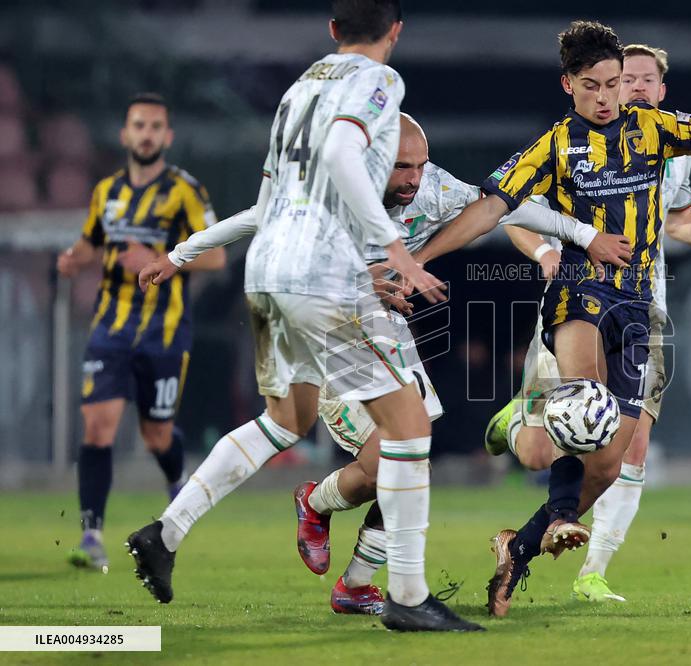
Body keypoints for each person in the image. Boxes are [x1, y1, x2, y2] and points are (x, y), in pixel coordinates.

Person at [411, 20, 691, 618]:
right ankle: (558, 514)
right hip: (579, 290)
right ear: (569, 85)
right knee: (588, 403)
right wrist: (419, 257)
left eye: (614, 84)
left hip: (637, 306)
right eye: (594, 85)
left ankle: (519, 547)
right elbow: (492, 210)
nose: (608, 96)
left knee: (609, 463)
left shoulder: (654, 131)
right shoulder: (554, 146)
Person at [127, 111, 625, 616]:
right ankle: (309, 532)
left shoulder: (431, 188)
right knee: (341, 442)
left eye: (420, 164)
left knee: (405, 458)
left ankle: (349, 573)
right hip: (321, 322)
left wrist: (578, 237)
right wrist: (180, 255)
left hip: (382, 330)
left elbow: (505, 207)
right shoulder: (329, 192)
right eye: (401, 167)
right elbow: (261, 219)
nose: (413, 178)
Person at [124, 0, 485, 633]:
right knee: (408, 431)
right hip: (325, 274)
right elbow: (347, 156)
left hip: (268, 270)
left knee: (284, 420)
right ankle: (404, 595)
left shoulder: (299, 90)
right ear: (395, 31)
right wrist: (391, 247)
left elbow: (269, 200)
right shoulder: (377, 81)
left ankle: (165, 531)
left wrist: (184, 252)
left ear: (331, 29)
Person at [500, 42, 691, 604]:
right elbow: (509, 206)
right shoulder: (571, 145)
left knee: (628, 446)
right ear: (606, 86)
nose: (639, 88)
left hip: (644, 308)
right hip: (576, 299)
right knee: (543, 447)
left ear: (661, 90)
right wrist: (546, 255)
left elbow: (681, 225)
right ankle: (515, 426)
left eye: (648, 79)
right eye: (629, 80)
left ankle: (591, 570)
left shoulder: (668, 147)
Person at [56, 92, 224, 571]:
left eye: (155, 126)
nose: (146, 134)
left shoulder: (185, 191)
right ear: (125, 134)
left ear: (167, 136)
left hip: (164, 333)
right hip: (109, 328)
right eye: (138, 125)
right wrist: (73, 259)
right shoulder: (106, 190)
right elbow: (91, 243)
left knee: (155, 435)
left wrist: (159, 260)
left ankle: (177, 480)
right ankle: (91, 536)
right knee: (98, 425)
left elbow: (215, 255)